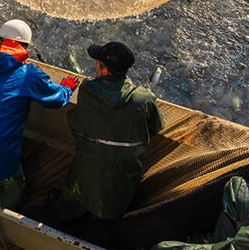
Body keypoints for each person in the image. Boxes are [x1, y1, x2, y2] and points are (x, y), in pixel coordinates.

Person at [0, 19, 77, 209]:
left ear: (0, 41)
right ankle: (8, 200)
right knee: (9, 195)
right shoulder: (29, 74)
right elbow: (55, 99)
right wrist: (67, 88)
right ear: (25, 47)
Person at [52, 41, 165, 221]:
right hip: (122, 187)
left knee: (72, 199)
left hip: (83, 178)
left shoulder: (87, 90)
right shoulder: (143, 99)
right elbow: (156, 126)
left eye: (97, 63)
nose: (95, 64)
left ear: (105, 71)